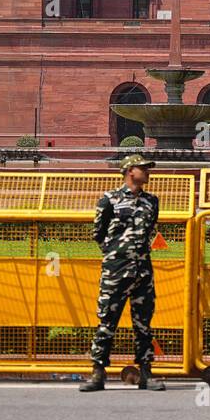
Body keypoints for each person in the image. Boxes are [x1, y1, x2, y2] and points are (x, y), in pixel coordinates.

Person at [80, 154, 164, 392]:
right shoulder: (110, 200)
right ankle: (97, 373)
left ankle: (146, 372)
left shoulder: (152, 201)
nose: (148, 172)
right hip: (116, 271)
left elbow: (151, 231)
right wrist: (116, 255)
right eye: (143, 168)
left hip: (142, 271)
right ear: (130, 171)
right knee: (107, 322)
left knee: (144, 324)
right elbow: (99, 233)